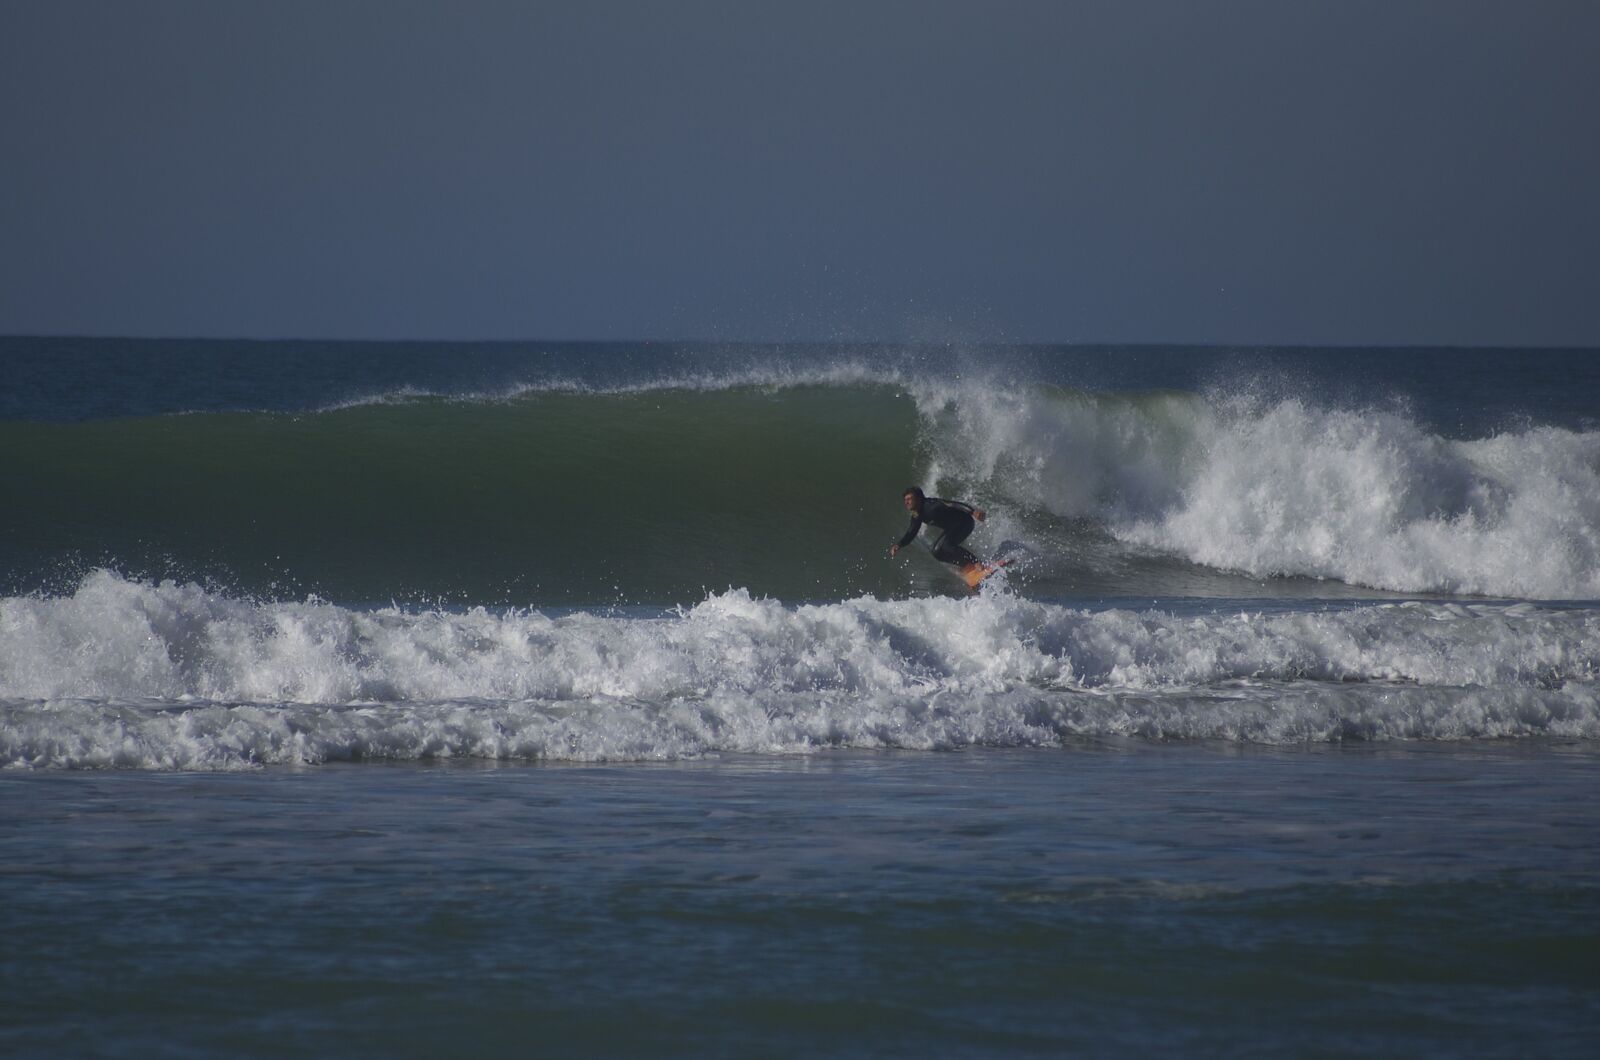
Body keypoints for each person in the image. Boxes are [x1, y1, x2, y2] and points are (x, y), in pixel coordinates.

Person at [890, 487, 987, 567]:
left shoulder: (931, 505)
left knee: (946, 545)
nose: (906, 502)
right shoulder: (917, 515)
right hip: (953, 528)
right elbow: (911, 532)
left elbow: (952, 504)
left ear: (918, 498)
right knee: (937, 553)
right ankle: (966, 564)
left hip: (965, 522)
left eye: (909, 499)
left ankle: (976, 562)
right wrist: (899, 545)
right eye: (905, 500)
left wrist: (973, 511)